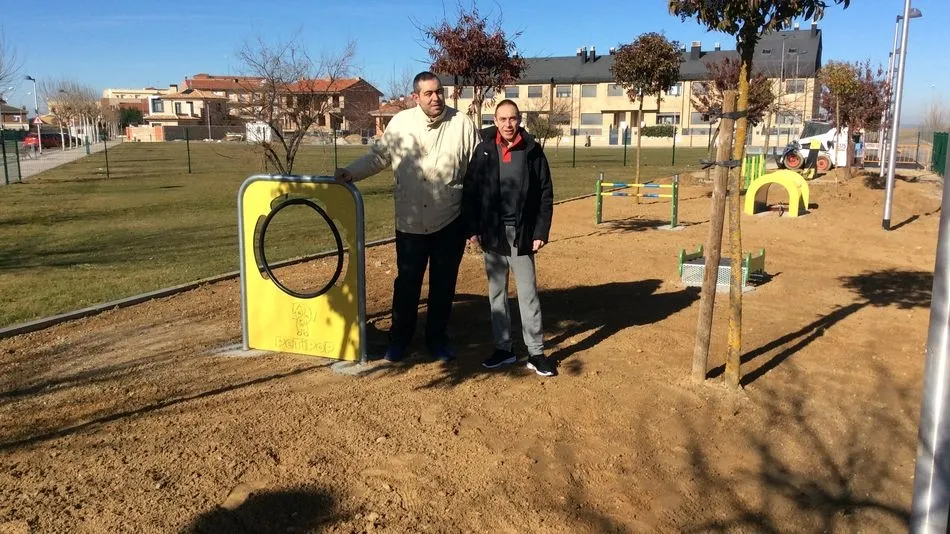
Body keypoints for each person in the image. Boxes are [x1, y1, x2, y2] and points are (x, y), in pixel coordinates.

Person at [335, 71, 480, 363]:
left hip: (449, 221)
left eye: (439, 92)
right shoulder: (400, 123)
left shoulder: (462, 124)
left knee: (443, 285)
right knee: (407, 284)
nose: (436, 98)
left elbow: (478, 171)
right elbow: (378, 157)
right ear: (416, 97)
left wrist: (474, 222)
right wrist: (351, 172)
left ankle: (437, 340)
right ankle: (399, 340)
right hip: (410, 223)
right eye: (428, 93)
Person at [462, 99, 556, 377]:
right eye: (502, 119)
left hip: (522, 235)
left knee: (528, 295)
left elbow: (545, 195)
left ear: (520, 119)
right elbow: (471, 193)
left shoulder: (533, 151)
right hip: (493, 234)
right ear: (495, 120)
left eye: (512, 119)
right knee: (497, 294)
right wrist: (472, 229)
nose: (507, 124)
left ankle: (535, 352)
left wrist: (540, 232)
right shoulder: (484, 151)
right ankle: (504, 349)